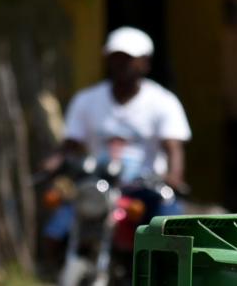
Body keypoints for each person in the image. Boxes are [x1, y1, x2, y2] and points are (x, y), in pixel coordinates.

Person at [61, 27, 191, 191]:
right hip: (98, 190)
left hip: (147, 192)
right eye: (116, 57)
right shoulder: (86, 100)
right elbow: (70, 145)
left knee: (170, 215)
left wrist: (174, 177)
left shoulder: (164, 102)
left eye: (128, 58)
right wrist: (55, 163)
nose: (121, 64)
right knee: (62, 215)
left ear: (146, 62)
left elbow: (173, 147)